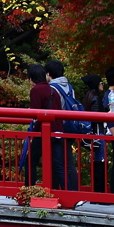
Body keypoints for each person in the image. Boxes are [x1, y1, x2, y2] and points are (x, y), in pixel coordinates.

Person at [25, 63, 73, 190]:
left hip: (43, 132)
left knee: (30, 162)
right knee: (59, 166)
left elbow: (34, 113)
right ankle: (70, 194)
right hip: (57, 131)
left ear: (31, 78)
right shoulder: (53, 90)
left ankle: (29, 191)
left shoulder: (36, 90)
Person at [45, 60, 79, 191]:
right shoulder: (69, 87)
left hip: (58, 128)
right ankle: (73, 191)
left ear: (48, 74)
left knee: (57, 162)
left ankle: (68, 192)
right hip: (70, 126)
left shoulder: (52, 88)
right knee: (67, 162)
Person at [82, 74, 108, 193]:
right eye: (101, 82)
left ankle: (97, 191)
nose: (103, 84)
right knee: (100, 161)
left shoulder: (88, 97)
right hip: (98, 133)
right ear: (96, 84)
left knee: (97, 161)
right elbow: (96, 117)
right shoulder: (96, 98)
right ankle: (100, 193)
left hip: (92, 134)